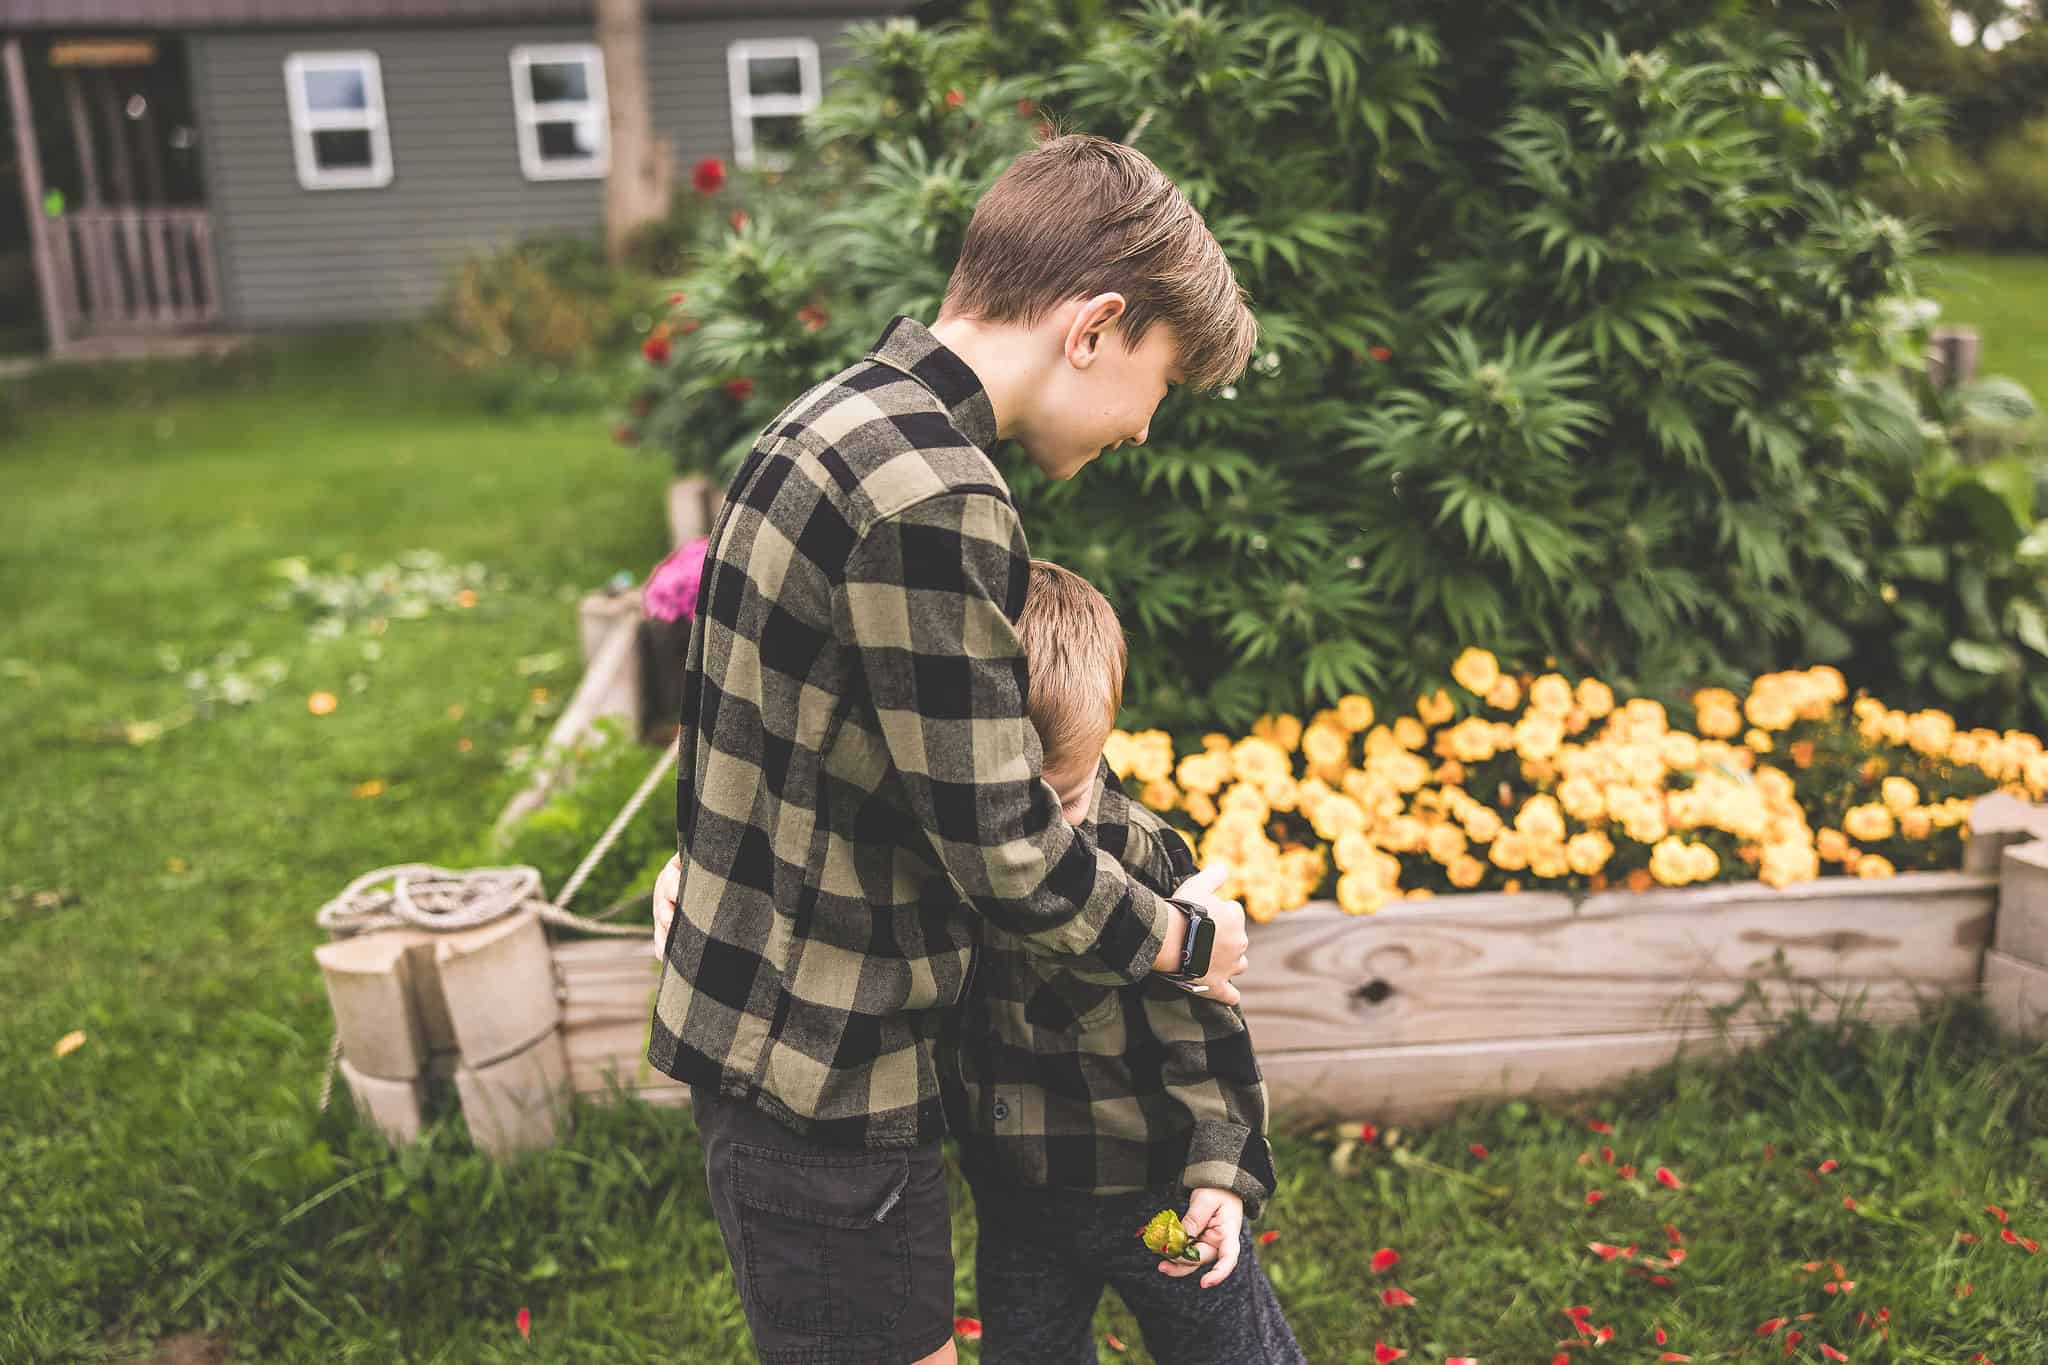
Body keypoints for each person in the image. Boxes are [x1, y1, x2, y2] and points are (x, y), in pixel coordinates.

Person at [646, 131, 1260, 1365]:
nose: (1144, 424)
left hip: (766, 1047)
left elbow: (757, 741)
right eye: (1160, 376)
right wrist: (1187, 938)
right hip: (830, 1082)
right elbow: (1007, 849)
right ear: (1092, 327)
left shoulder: (828, 420)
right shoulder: (937, 495)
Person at [948, 559, 1303, 1363]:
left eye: (1064, 803)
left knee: (1224, 1345)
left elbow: (1207, 1031)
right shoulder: (956, 849)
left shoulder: (1138, 856)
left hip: (1149, 1189)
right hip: (1017, 1195)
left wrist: (1220, 1172)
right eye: (1019, 811)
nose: (1041, 841)